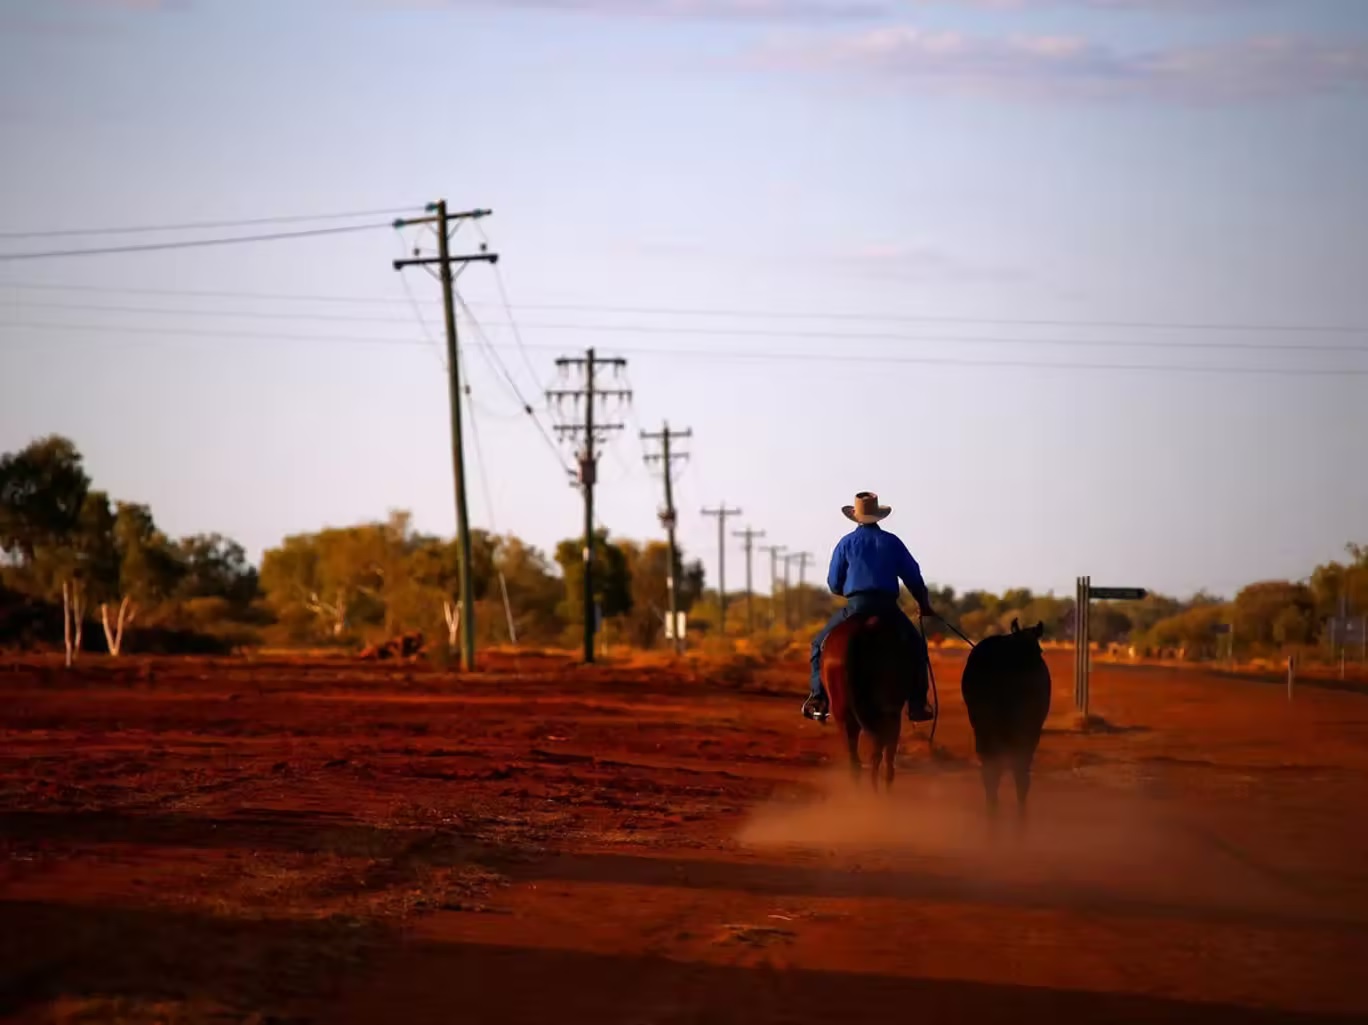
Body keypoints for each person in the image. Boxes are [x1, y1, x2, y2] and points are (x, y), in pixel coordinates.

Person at [803, 491, 936, 723]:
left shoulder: (845, 543)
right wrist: (923, 604)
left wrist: (849, 586)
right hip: (887, 608)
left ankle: (819, 698)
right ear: (878, 516)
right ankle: (917, 703)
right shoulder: (892, 542)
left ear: (855, 517)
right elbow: (913, 577)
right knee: (917, 646)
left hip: (855, 607)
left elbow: (834, 584)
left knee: (818, 645)